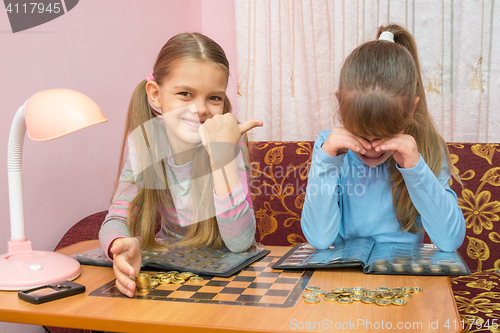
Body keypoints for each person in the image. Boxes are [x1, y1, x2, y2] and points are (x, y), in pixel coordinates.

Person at [99, 32, 263, 297]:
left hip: (230, 274)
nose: (200, 109)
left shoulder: (227, 139)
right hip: (168, 267)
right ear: (155, 94)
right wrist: (119, 244)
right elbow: (117, 216)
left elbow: (240, 242)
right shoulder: (146, 142)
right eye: (185, 93)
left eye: (214, 98)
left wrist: (222, 154)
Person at [300, 24, 465, 253]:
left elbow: (450, 241)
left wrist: (415, 168)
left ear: (410, 109)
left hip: (402, 277)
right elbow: (318, 239)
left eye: (383, 136)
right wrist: (327, 162)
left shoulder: (426, 147)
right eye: (360, 134)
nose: (370, 149)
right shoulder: (329, 147)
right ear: (340, 103)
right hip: (343, 279)